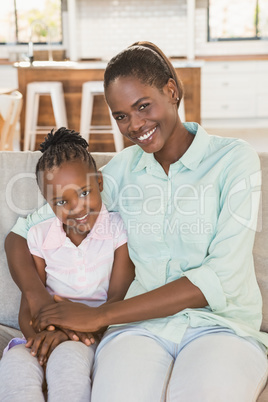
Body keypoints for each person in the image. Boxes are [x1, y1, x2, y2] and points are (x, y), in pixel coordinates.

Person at [3, 41, 268, 401]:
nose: (135, 125)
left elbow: (218, 276)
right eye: (122, 116)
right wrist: (37, 300)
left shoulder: (234, 160)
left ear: (171, 91)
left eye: (143, 106)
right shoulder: (121, 172)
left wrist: (100, 315)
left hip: (221, 327)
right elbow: (22, 234)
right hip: (137, 332)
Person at [0, 127, 134, 401]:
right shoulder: (39, 236)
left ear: (99, 182)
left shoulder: (119, 231)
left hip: (87, 336)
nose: (77, 208)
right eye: (62, 201)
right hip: (44, 334)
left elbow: (117, 299)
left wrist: (68, 334)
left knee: (67, 366)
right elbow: (30, 302)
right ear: (49, 205)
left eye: (84, 192)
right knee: (15, 365)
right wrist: (39, 338)